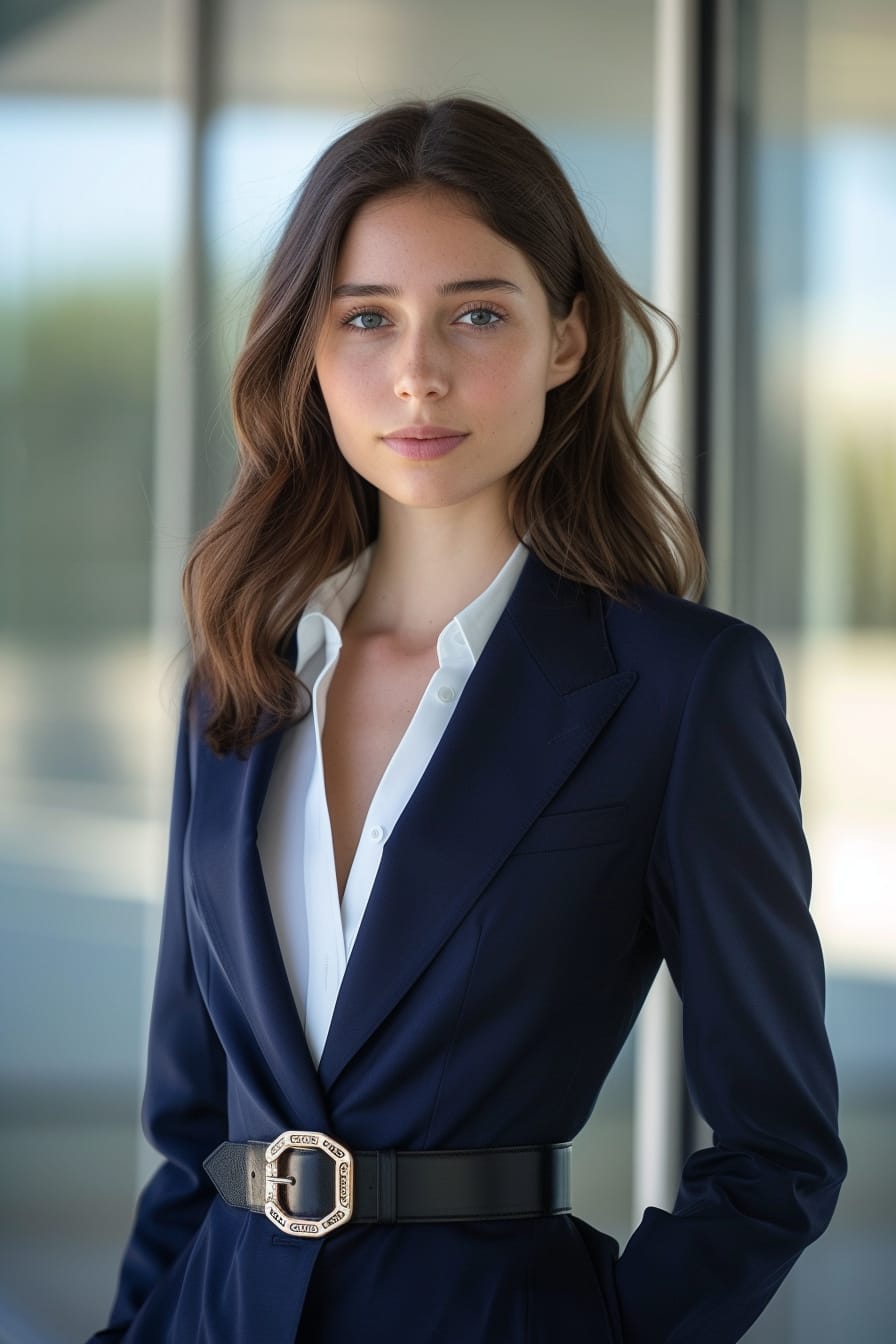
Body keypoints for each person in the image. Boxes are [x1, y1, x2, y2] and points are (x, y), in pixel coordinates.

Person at [88, 96, 846, 1344]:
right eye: (366, 318)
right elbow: (188, 1129)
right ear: (308, 351)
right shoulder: (236, 681)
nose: (417, 372)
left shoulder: (677, 688)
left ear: (567, 341)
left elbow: (778, 1152)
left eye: (476, 314)